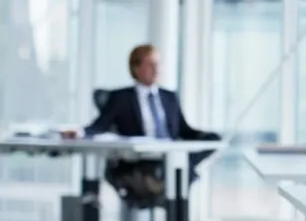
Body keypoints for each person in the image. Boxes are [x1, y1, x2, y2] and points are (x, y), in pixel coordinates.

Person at [72, 44, 218, 193]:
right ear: (136, 68)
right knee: (177, 172)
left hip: (169, 154)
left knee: (200, 149)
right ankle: (180, 169)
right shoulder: (122, 98)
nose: (156, 69)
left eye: (157, 64)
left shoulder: (169, 97)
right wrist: (79, 133)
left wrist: (210, 138)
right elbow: (99, 126)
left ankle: (181, 166)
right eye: (150, 64)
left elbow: (183, 130)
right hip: (140, 160)